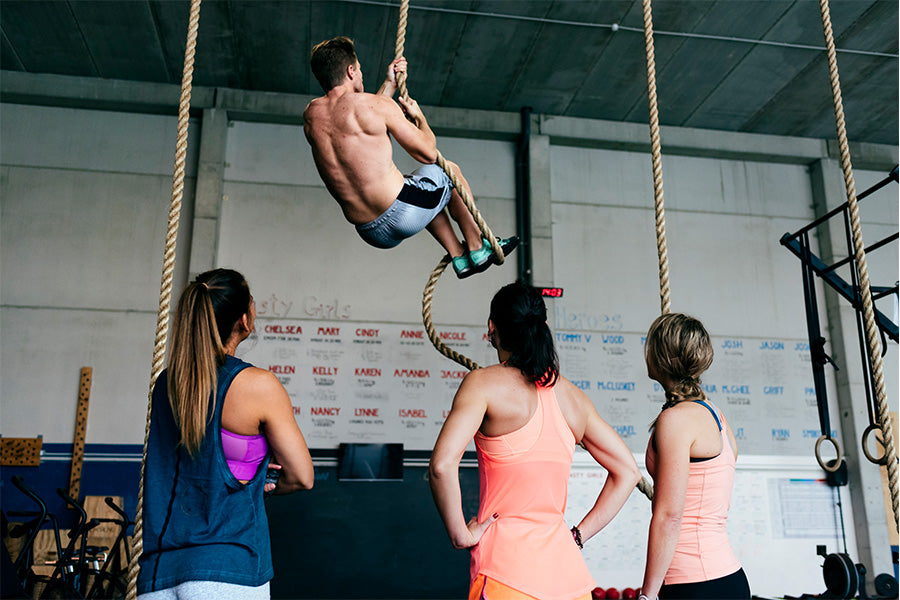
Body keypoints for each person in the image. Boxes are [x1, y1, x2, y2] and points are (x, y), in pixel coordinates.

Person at [430, 281, 641, 599]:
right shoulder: (573, 398)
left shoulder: (482, 384)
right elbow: (629, 471)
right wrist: (578, 536)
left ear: (492, 328)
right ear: (542, 326)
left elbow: (442, 466)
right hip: (571, 582)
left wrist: (461, 534)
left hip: (506, 575)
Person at [137, 269, 315, 599]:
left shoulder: (166, 386)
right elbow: (302, 477)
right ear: (244, 320)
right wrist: (263, 483)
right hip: (226, 572)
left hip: (157, 577)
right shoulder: (258, 385)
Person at [303, 36, 517, 279]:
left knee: (422, 185)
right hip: (402, 212)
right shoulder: (375, 106)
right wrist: (420, 119)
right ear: (351, 71)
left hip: (369, 231)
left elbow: (359, 125)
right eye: (360, 69)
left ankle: (458, 255)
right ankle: (478, 247)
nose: (361, 75)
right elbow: (428, 153)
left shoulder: (312, 116)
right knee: (449, 171)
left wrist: (389, 83)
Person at [639, 313, 750, 600]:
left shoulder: (675, 420)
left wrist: (647, 596)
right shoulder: (716, 415)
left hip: (694, 585)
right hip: (729, 579)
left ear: (660, 357)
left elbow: (669, 516)